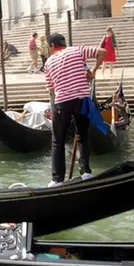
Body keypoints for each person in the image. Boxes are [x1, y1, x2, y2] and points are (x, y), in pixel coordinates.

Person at [44, 33, 107, 187]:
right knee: (82, 135)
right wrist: (92, 71)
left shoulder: (48, 62)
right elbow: (103, 52)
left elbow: (51, 90)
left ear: (52, 46)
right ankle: (85, 172)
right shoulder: (78, 51)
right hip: (81, 99)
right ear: (64, 43)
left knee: (57, 141)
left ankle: (57, 180)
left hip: (62, 103)